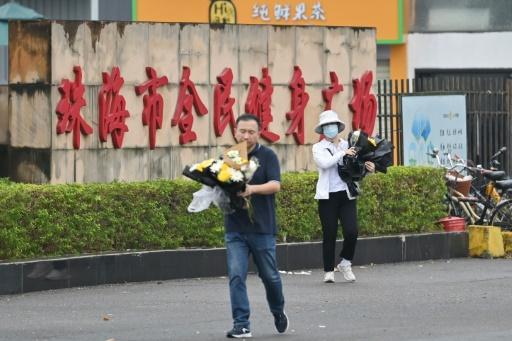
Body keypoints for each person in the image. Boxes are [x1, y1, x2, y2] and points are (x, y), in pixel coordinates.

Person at [224, 113, 288, 338]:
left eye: (251, 132)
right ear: (235, 131)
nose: (246, 135)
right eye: (242, 131)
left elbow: (275, 185)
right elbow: (224, 184)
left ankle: (278, 310)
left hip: (262, 228)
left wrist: (251, 189)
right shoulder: (231, 156)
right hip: (235, 227)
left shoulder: (267, 155)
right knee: (236, 275)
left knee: (270, 277)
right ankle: (241, 324)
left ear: (258, 133)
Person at [312, 110, 375, 284]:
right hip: (327, 196)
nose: (330, 128)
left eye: (333, 125)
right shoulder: (318, 148)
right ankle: (328, 271)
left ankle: (346, 262)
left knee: (352, 231)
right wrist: (343, 153)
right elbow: (325, 164)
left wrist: (367, 168)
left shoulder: (349, 144)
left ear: (338, 127)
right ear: (322, 129)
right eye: (326, 126)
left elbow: (356, 170)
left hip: (346, 194)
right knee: (329, 233)